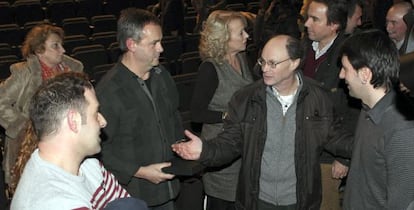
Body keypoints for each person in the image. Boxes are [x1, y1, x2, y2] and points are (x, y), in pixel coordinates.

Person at [172, 34, 353, 210]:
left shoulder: (318, 98)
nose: (265, 69)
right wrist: (205, 150)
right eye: (262, 61)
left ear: (294, 63)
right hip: (257, 199)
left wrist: (367, 144)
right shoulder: (247, 98)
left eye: (273, 63)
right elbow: (230, 143)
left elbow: (336, 137)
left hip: (299, 199)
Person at [96, 8, 183, 210]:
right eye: (154, 43)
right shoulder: (109, 91)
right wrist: (140, 171)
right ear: (131, 44)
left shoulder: (163, 76)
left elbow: (174, 119)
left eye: (160, 41)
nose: (161, 48)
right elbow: (99, 150)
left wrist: (181, 147)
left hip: (169, 189)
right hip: (133, 196)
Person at [10, 72, 134, 209]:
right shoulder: (55, 202)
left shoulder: (90, 166)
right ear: (74, 121)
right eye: (95, 113)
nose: (103, 122)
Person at [0, 24, 83, 194]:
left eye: (61, 44)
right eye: (55, 45)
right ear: (39, 50)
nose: (63, 50)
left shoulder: (73, 70)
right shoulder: (24, 73)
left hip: (68, 144)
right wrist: (23, 126)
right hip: (30, 147)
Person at [339, 29, 414, 210]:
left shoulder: (402, 129)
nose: (341, 75)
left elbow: (402, 203)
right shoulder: (367, 109)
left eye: (345, 68)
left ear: (365, 74)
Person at [190, 10, 253, 210]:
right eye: (241, 33)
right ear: (224, 38)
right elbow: (197, 114)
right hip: (220, 150)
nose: (247, 36)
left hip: (243, 146)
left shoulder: (242, 58)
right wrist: (227, 115)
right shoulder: (210, 69)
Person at [302, 0, 356, 209]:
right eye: (308, 17)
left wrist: (344, 157)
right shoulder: (304, 47)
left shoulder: (348, 56)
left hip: (328, 154)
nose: (307, 23)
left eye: (315, 19)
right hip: (301, 147)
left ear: (334, 25)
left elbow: (355, 110)